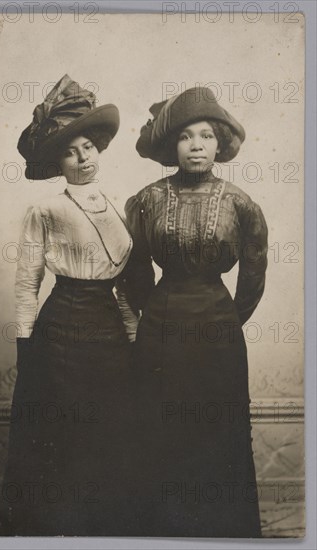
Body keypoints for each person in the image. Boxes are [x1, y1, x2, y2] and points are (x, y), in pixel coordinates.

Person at [0, 74, 138, 536]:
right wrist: (24, 342)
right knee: (64, 432)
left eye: (88, 148)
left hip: (109, 331)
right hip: (62, 330)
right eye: (71, 152)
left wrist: (133, 335)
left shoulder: (117, 205)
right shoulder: (46, 210)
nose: (83, 159)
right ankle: (57, 529)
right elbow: (26, 281)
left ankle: (103, 529)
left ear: (98, 147)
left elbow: (123, 286)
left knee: (107, 430)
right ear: (59, 160)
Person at [123, 86, 268, 537]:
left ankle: (222, 532)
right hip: (161, 328)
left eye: (206, 135)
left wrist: (223, 320)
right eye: (186, 137)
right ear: (172, 147)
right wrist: (157, 313)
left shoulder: (241, 203)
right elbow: (135, 269)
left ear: (220, 143)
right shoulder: (146, 200)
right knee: (160, 426)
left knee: (215, 428)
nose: (197, 145)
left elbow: (253, 273)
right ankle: (162, 532)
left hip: (218, 329)